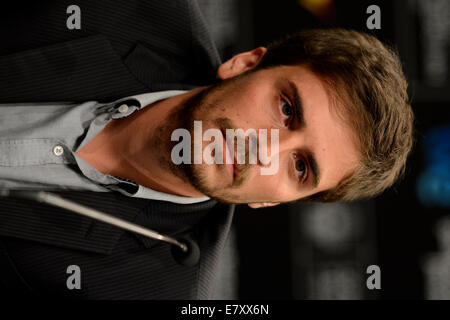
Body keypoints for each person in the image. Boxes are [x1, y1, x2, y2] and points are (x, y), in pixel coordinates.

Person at [0, 0, 414, 299]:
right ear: (246, 64)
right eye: (286, 109)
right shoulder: (134, 9)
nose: (264, 150)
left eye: (301, 167)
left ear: (274, 204)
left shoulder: (153, 290)